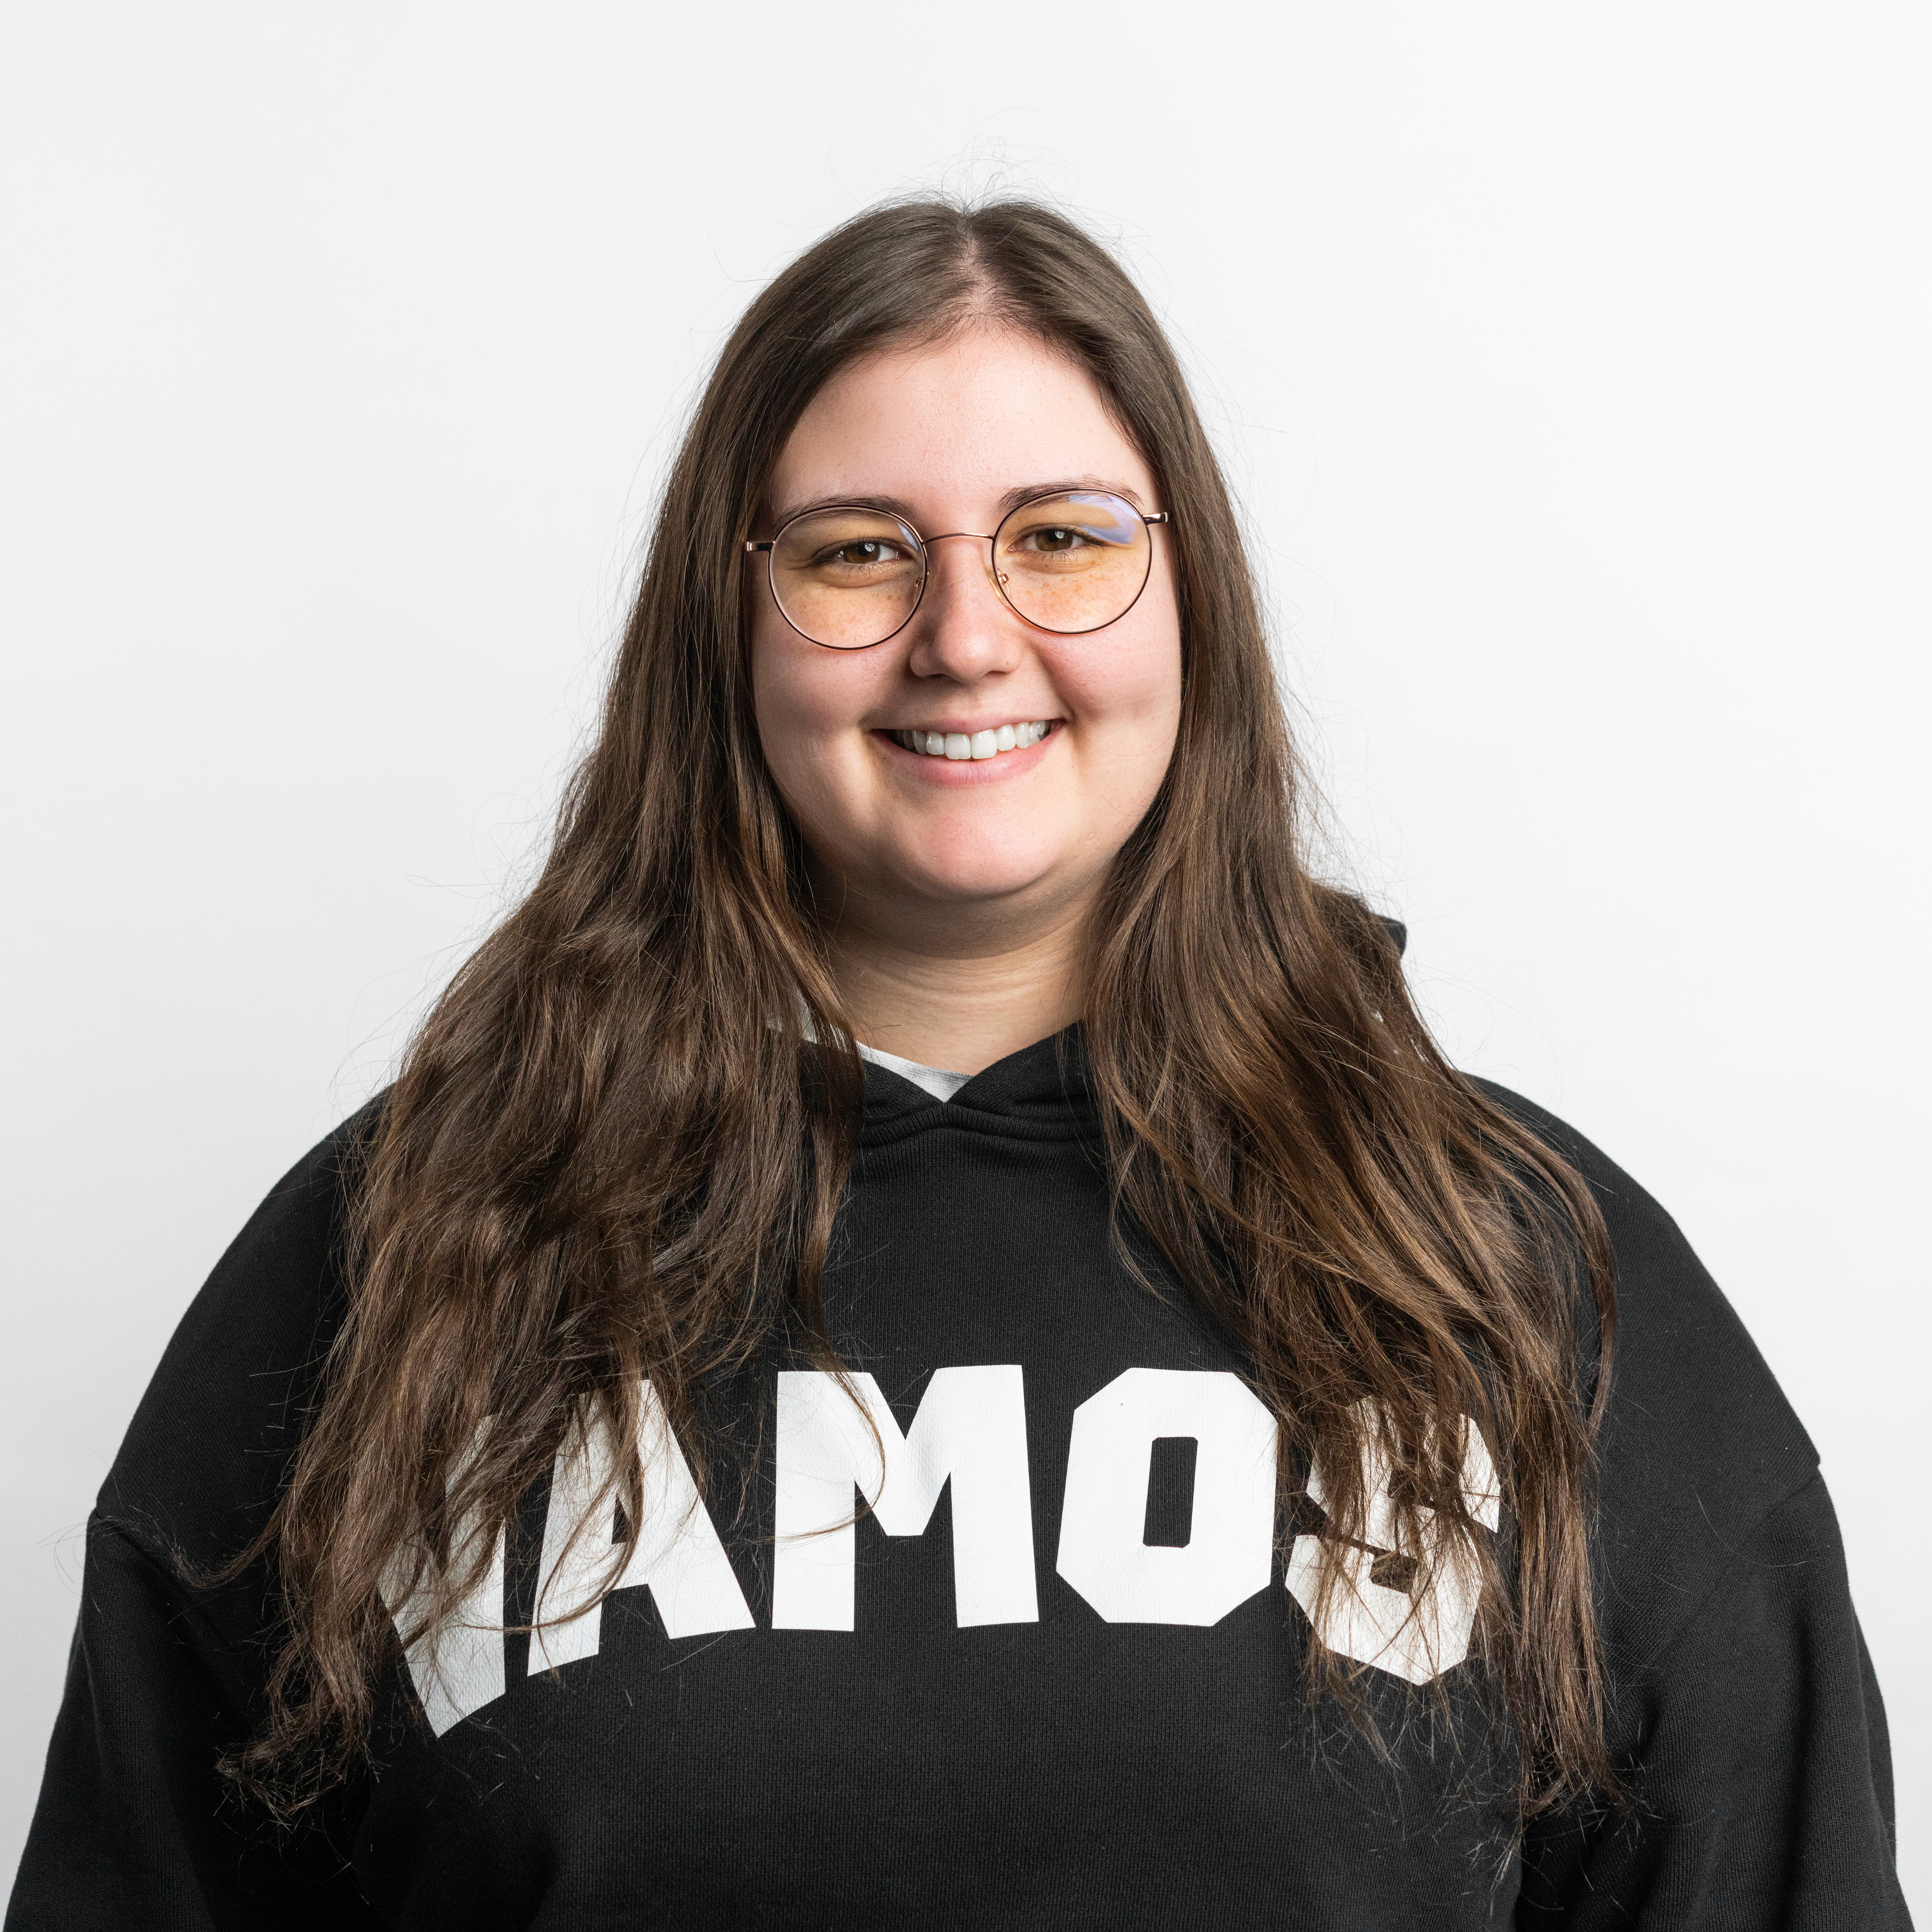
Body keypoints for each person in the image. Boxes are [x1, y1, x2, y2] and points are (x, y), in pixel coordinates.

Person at [7, 199, 1910, 1931]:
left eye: (1064, 539)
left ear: (1192, 603)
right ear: (726, 623)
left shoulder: (1511, 1268)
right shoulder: (404, 1255)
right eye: (857, 556)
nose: (968, 639)